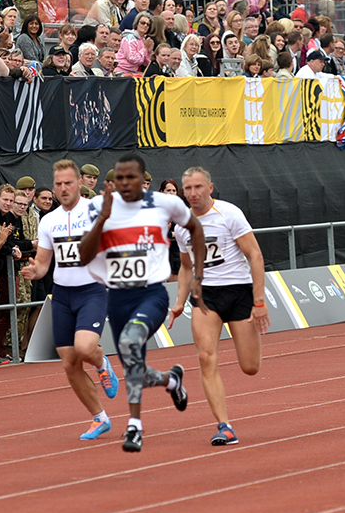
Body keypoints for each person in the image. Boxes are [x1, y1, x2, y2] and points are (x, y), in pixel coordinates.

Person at [79, 153, 208, 452]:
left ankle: (134, 427)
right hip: (118, 299)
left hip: (151, 294)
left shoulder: (165, 204)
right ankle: (171, 380)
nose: (125, 183)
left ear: (143, 180)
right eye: (119, 178)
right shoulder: (98, 207)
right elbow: (84, 256)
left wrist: (197, 278)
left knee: (129, 341)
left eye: (131, 177)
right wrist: (103, 218)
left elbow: (196, 230)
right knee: (135, 370)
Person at [169, 167, 269, 445]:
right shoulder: (182, 226)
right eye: (187, 189)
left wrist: (258, 301)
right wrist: (179, 301)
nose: (193, 193)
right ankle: (224, 426)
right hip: (205, 297)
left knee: (250, 367)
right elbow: (186, 267)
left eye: (198, 187)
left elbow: (255, 256)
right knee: (205, 357)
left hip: (238, 293)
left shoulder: (230, 215)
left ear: (210, 188)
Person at [22, 160, 119, 440]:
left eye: (68, 183)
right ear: (53, 188)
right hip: (62, 295)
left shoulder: (96, 208)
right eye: (58, 184)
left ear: (79, 184)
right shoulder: (48, 220)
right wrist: (34, 271)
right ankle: (99, 418)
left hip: (92, 290)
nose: (63, 189)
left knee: (86, 347)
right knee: (69, 363)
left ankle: (102, 365)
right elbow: (43, 263)